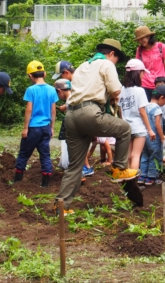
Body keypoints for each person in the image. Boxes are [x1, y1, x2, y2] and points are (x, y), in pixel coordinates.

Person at [54, 39, 139, 215]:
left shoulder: (82, 66)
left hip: (71, 116)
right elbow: (116, 91)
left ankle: (61, 206)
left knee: (75, 166)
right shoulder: (107, 64)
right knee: (124, 129)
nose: (115, 63)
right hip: (90, 112)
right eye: (116, 59)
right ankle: (119, 169)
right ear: (112, 54)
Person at [14, 61, 58, 188]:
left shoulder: (30, 90)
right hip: (45, 128)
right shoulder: (51, 90)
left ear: (30, 76)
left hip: (33, 128)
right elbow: (53, 110)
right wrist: (52, 128)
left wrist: (25, 128)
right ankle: (45, 184)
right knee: (45, 154)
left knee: (23, 154)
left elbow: (28, 110)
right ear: (44, 74)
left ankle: (17, 182)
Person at [118, 59, 156, 171]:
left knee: (129, 156)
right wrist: (150, 130)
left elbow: (120, 110)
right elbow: (142, 111)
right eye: (143, 72)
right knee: (136, 155)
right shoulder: (140, 91)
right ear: (138, 73)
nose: (143, 75)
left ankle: (127, 184)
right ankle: (133, 183)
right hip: (139, 127)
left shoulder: (122, 90)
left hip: (126, 127)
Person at [140, 85, 165, 185]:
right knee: (155, 157)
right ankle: (151, 178)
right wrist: (162, 137)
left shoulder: (145, 107)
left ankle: (142, 176)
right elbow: (158, 125)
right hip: (154, 139)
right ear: (162, 97)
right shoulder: (157, 109)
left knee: (145, 156)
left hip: (144, 137)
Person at [134, 26, 165, 100]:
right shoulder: (139, 50)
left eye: (142, 38)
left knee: (160, 109)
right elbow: (138, 69)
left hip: (160, 84)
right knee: (146, 109)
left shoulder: (161, 47)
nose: (141, 41)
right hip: (145, 85)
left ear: (148, 37)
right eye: (139, 40)